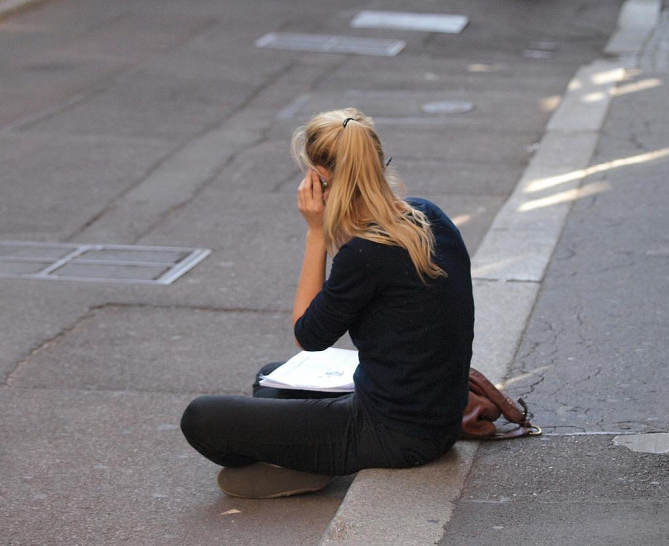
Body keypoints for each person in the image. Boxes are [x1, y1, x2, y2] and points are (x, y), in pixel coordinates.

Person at [180, 108, 474, 498]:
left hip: (396, 435)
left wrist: (316, 233)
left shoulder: (366, 252)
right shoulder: (427, 214)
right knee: (270, 381)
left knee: (200, 417)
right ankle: (300, 458)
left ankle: (301, 462)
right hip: (439, 419)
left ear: (320, 178)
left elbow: (308, 335)